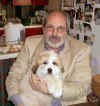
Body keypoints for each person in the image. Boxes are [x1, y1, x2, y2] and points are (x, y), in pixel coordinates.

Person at [6, 10, 92, 106]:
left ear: (66, 31)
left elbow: (82, 87)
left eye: (60, 28)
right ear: (43, 29)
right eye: (50, 28)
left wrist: (51, 89)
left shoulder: (81, 50)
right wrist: (18, 101)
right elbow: (14, 76)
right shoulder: (30, 44)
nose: (55, 34)